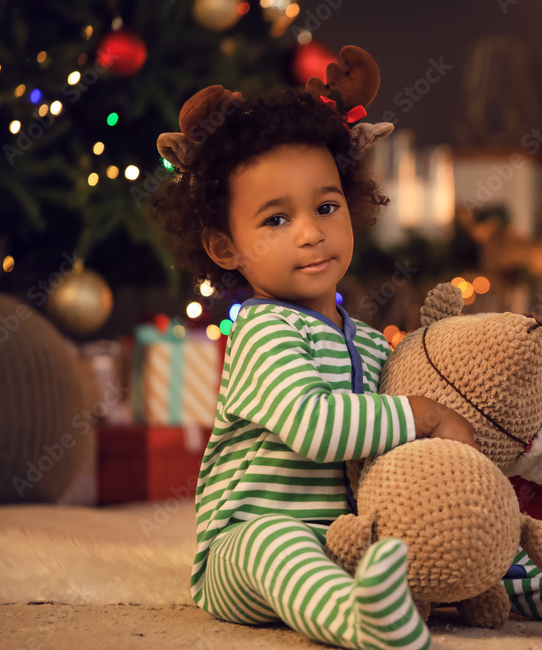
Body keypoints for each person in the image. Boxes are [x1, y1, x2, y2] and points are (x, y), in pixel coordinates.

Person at [151, 86, 474, 650]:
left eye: (326, 207)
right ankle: (360, 622)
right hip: (241, 552)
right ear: (225, 247)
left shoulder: (373, 345)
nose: (310, 232)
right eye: (276, 219)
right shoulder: (262, 329)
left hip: (350, 540)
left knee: (464, 541)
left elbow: (396, 437)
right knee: (275, 542)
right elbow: (314, 425)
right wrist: (421, 415)